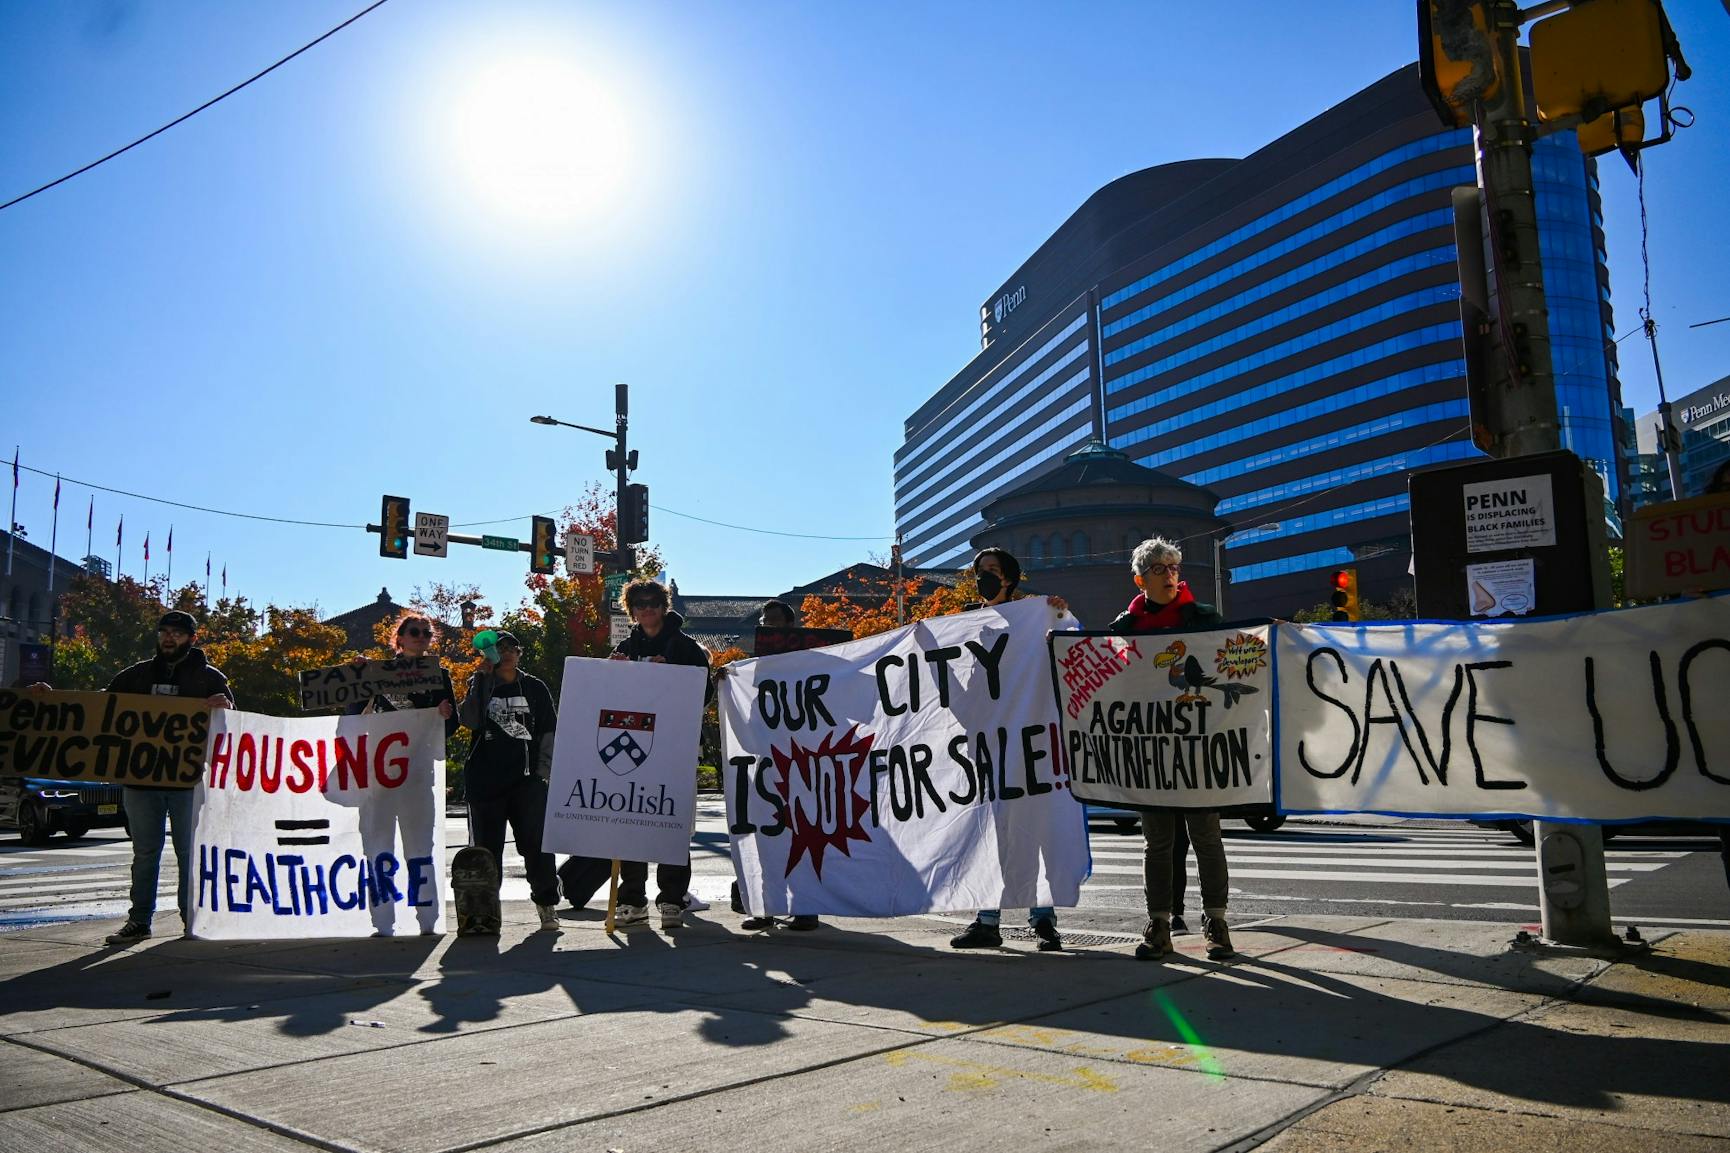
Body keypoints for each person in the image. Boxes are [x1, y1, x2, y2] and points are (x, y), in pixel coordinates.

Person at [1108, 536, 1234, 962]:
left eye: (1174, 567)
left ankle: (1216, 923)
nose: (1170, 575)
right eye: (1159, 569)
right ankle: (1159, 924)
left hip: (1198, 748)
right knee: (1157, 843)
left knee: (1207, 838)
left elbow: (1232, 659)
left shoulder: (1203, 617)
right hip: (1152, 752)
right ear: (1140, 579)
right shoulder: (1124, 628)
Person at [949, 546, 1068, 953]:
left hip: (1030, 743)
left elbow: (1066, 648)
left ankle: (1043, 918)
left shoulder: (1033, 616)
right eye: (980, 570)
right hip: (988, 745)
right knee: (992, 835)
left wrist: (1058, 616)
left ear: (1010, 577)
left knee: (1035, 830)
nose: (985, 577)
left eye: (993, 570)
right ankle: (987, 920)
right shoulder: (966, 624)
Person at [103, 610, 234, 945]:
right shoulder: (135, 675)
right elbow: (98, 708)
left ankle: (192, 920)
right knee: (145, 853)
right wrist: (49, 698)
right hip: (141, 782)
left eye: (177, 633)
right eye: (164, 632)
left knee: (190, 854)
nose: (169, 638)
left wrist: (225, 707)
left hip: (188, 783)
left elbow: (232, 725)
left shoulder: (210, 678)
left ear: (192, 638)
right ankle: (139, 921)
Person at [609, 578, 713, 930]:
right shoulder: (625, 647)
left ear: (664, 606)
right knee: (630, 823)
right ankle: (632, 899)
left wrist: (671, 675)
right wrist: (612, 672)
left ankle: (671, 899)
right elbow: (609, 697)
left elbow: (704, 694)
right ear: (631, 610)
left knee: (672, 824)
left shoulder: (686, 647)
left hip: (674, 747)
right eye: (640, 603)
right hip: (632, 747)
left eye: (653, 602)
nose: (647, 608)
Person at [456, 630, 562, 932]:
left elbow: (549, 730)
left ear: (519, 653)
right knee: (486, 852)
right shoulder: (480, 683)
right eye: (497, 648)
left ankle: (546, 904)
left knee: (537, 846)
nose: (504, 653)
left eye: (510, 648)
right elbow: (470, 720)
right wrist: (481, 680)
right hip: (486, 782)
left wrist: (543, 772)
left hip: (527, 781)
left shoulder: (534, 687)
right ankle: (485, 913)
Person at [737, 599, 821, 932]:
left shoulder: (811, 662)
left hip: (802, 766)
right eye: (764, 621)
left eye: (774, 621)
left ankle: (805, 907)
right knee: (765, 837)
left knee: (801, 835)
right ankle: (766, 906)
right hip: (767, 766)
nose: (768, 626)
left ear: (791, 626)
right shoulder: (757, 668)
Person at [344, 614, 458, 736]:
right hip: (384, 743)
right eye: (414, 632)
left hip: (423, 746)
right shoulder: (377, 672)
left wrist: (443, 717)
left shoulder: (439, 675)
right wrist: (359, 677)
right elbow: (354, 713)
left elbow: (452, 725)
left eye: (427, 633)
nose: (421, 636)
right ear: (400, 639)